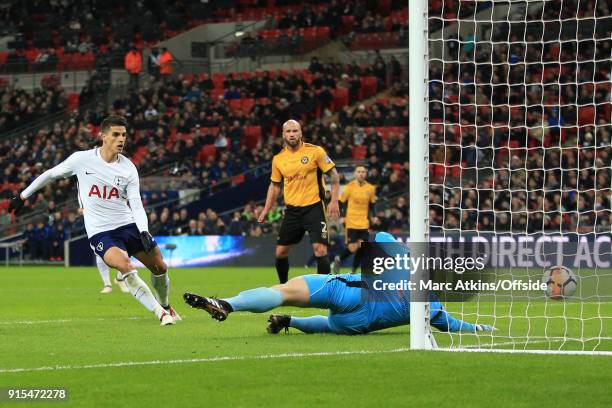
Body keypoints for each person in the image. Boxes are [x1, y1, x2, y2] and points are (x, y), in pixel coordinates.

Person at [8, 116, 180, 325]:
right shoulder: (82, 160)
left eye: (124, 135)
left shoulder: (128, 168)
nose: (121, 139)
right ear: (103, 136)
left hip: (128, 225)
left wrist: (143, 231)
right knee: (125, 266)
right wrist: (23, 196)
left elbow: (136, 204)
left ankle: (165, 305)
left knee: (160, 267)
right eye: (116, 134)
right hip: (101, 232)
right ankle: (160, 314)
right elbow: (51, 174)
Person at [183, 232, 495, 335]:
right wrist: (483, 329)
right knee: (329, 325)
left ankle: (228, 304)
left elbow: (381, 238)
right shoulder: (434, 307)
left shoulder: (403, 259)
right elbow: (457, 327)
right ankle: (290, 322)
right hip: (357, 323)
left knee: (283, 292)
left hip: (351, 291)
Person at [258, 119, 340, 284]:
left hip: (314, 208)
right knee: (280, 253)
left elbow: (334, 175)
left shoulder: (315, 151)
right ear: (283, 135)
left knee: (320, 249)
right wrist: (266, 209)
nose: (292, 134)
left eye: (295, 131)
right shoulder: (278, 159)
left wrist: (334, 201)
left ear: (301, 133)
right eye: (288, 131)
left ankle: (324, 292)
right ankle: (284, 287)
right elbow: (274, 186)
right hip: (292, 211)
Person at [334, 166, 376, 273]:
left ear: (366, 174)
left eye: (363, 172)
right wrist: (342, 216)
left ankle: (353, 270)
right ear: (355, 174)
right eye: (359, 172)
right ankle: (339, 258)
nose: (361, 174)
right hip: (351, 221)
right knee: (352, 248)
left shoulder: (370, 188)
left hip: (364, 222)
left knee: (362, 247)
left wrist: (374, 216)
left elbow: (372, 204)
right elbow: (341, 202)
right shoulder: (349, 186)